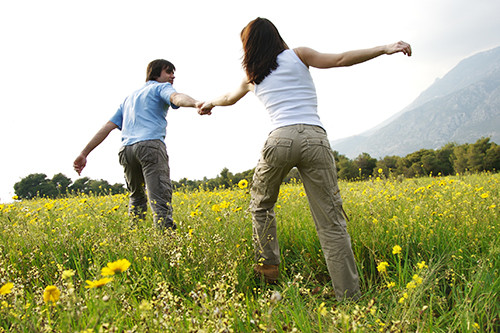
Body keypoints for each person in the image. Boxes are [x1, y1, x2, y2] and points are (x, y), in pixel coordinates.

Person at [198, 17, 411, 301]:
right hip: (314, 138)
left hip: (279, 140)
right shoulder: (299, 55)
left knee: (261, 206)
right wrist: (386, 48)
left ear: (248, 46)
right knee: (331, 222)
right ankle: (349, 296)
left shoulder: (252, 76)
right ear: (276, 36)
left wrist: (208, 103)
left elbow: (227, 97)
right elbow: (341, 59)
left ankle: (269, 273)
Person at [74, 59, 203, 230]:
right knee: (159, 196)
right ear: (156, 74)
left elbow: (108, 126)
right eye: (168, 72)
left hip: (126, 151)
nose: (173, 76)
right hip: (149, 146)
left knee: (136, 197)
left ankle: (136, 236)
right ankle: (166, 242)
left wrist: (84, 153)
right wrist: (196, 103)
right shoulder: (160, 87)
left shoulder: (130, 98)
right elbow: (176, 97)